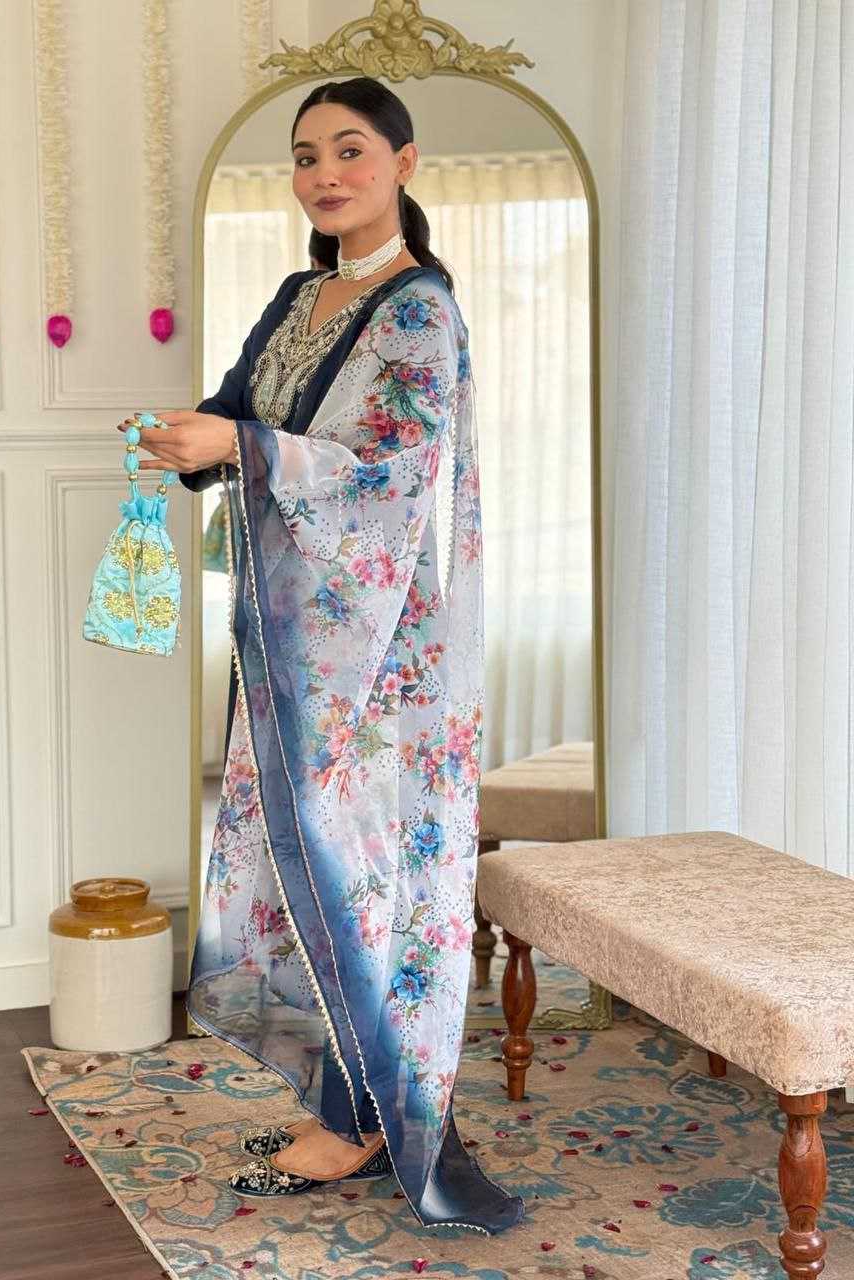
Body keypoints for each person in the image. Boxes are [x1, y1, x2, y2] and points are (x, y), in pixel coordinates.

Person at [119, 75, 525, 1236]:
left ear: (404, 162)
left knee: (361, 875)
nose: (326, 174)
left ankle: (373, 1120)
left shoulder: (419, 308)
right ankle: (350, 1100)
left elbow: (388, 469)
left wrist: (244, 444)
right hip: (295, 636)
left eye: (350, 149)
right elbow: (246, 409)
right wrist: (190, 441)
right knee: (304, 865)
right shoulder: (302, 296)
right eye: (306, 156)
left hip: (378, 658)